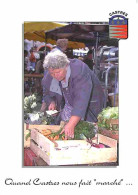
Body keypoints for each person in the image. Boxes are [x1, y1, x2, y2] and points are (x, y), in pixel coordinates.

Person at [41, 50, 105, 139]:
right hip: (70, 101)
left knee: (89, 131)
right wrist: (52, 101)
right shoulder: (49, 76)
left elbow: (81, 99)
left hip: (90, 102)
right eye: (52, 73)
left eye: (58, 72)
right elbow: (46, 92)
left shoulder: (80, 70)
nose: (55, 75)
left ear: (66, 66)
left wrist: (71, 123)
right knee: (65, 125)